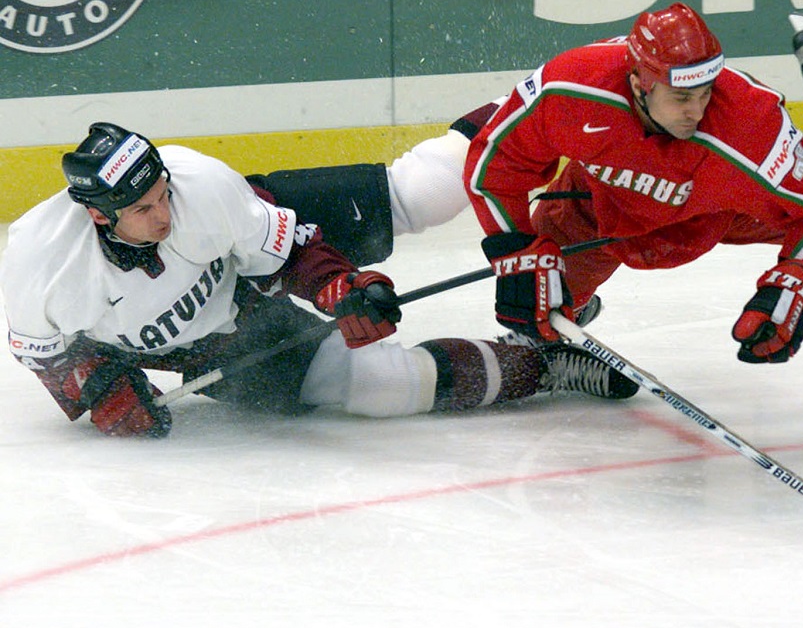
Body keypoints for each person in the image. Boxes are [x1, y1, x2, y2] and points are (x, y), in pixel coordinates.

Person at [0, 123, 636, 438]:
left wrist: (341, 288)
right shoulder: (39, 263)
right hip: (214, 345)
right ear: (96, 214)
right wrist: (102, 390)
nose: (164, 217)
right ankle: (547, 367)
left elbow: (290, 251)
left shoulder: (203, 188)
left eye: (163, 195)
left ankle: (540, 108)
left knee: (423, 191)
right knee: (386, 385)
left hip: (251, 246)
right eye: (141, 211)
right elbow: (49, 361)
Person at [462, 3, 803, 363]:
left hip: (726, 206)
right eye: (680, 97)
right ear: (639, 83)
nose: (696, 112)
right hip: (600, 204)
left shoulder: (750, 128)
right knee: (539, 322)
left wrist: (796, 276)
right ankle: (576, 306)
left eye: (705, 92)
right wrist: (516, 250)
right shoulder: (572, 89)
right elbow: (494, 165)